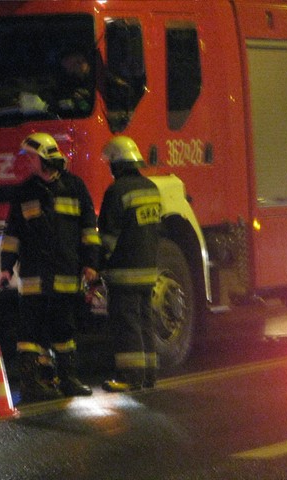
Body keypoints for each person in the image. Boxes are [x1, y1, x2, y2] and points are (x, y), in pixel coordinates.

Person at [0, 132, 100, 403]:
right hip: (34, 276)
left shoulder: (75, 187)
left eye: (32, 157)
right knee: (30, 330)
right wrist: (6, 267)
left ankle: (68, 379)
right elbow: (12, 234)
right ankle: (32, 383)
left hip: (66, 272)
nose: (28, 162)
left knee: (64, 327)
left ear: (45, 158)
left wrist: (91, 263)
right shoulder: (24, 192)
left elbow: (88, 229)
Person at [97, 136, 161, 392]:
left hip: (124, 271)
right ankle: (149, 374)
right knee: (145, 321)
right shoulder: (151, 188)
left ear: (117, 163)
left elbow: (108, 237)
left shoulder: (117, 191)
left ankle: (130, 376)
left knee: (127, 323)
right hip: (148, 269)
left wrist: (97, 265)